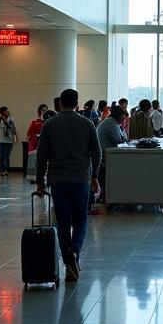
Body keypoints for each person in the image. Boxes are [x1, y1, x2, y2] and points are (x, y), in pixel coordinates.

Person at [34, 88, 102, 282]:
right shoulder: (87, 123)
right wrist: (95, 176)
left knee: (63, 222)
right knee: (81, 220)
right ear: (77, 104)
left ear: (60, 103)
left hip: (58, 180)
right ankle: (75, 251)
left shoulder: (49, 124)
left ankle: (68, 259)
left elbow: (41, 156)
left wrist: (40, 182)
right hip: (81, 179)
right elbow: (97, 153)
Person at [95, 108, 126, 201]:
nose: (124, 119)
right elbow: (119, 140)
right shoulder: (111, 124)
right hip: (105, 159)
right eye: (123, 116)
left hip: (106, 157)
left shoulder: (111, 123)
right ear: (119, 115)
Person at [0, 105, 17, 176]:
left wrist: (4, 120)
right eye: (6, 111)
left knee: (6, 156)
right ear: (2, 112)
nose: (8, 112)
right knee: (1, 156)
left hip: (9, 140)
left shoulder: (11, 119)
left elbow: (10, 127)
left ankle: (6, 170)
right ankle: (2, 170)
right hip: (0, 140)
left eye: (7, 111)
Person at [25, 104, 46, 177]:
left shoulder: (49, 122)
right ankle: (32, 175)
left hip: (45, 143)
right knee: (32, 158)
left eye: (46, 110)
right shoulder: (35, 122)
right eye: (43, 110)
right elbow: (29, 135)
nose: (44, 112)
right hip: (35, 142)